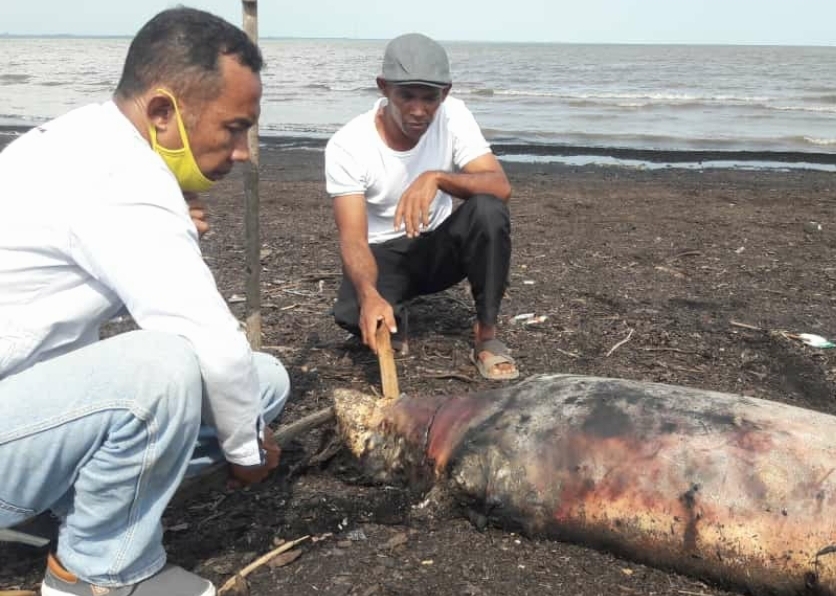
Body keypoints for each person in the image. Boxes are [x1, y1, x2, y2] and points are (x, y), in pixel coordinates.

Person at [0, 8, 289, 596]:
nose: (241, 151)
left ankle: (67, 504)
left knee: (264, 385)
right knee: (162, 369)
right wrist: (247, 456)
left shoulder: (87, 142)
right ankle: (99, 573)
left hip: (19, 400)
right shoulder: (119, 177)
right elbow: (207, 339)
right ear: (162, 113)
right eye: (233, 128)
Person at [325, 33, 519, 381]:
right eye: (406, 96)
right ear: (384, 88)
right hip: (384, 256)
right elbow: (352, 239)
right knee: (352, 312)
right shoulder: (348, 145)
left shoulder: (453, 115)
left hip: (438, 248)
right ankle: (393, 311)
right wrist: (369, 294)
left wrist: (437, 178)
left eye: (430, 98)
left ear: (445, 93)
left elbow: (499, 185)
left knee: (488, 210)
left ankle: (486, 336)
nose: (418, 110)